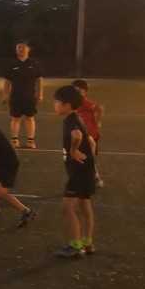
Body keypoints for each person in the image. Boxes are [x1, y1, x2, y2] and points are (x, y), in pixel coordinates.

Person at [53, 85, 97, 259]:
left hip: (78, 172)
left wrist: (73, 151)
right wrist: (89, 159)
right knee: (84, 205)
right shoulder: (77, 118)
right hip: (86, 169)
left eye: (57, 102)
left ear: (67, 105)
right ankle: (87, 242)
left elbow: (77, 135)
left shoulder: (71, 120)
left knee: (67, 208)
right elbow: (91, 141)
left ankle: (76, 246)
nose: (55, 105)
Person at [2, 41, 43, 149]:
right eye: (18, 48)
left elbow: (39, 80)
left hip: (30, 96)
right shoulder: (12, 64)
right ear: (16, 50)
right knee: (15, 118)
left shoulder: (34, 63)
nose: (21, 49)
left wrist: (40, 94)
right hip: (15, 96)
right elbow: (7, 81)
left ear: (28, 49)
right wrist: (5, 95)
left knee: (30, 118)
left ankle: (30, 141)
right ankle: (14, 140)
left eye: (23, 47)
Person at [72, 79, 105, 186]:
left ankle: (95, 178)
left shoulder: (84, 102)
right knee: (85, 158)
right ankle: (92, 177)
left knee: (87, 158)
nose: (76, 93)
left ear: (85, 92)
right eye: (74, 90)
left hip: (90, 134)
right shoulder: (75, 103)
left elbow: (99, 108)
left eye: (79, 91)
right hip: (84, 134)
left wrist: (98, 122)